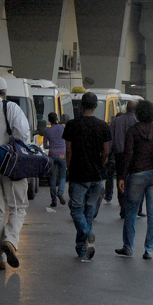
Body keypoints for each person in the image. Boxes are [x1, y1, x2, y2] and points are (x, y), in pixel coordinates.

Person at [0, 76, 30, 270]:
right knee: (18, 207)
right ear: (4, 93)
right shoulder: (11, 108)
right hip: (12, 167)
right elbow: (24, 134)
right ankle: (10, 240)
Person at [115, 100, 153, 259]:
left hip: (137, 174)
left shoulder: (133, 130)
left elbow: (127, 155)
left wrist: (121, 176)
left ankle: (128, 247)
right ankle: (149, 249)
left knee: (131, 211)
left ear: (138, 113)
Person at [62, 92, 111, 260]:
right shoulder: (103, 126)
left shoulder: (71, 125)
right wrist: (101, 165)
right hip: (97, 175)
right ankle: (82, 247)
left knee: (76, 208)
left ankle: (86, 235)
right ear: (96, 106)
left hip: (78, 173)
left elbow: (68, 150)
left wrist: (69, 167)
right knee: (89, 211)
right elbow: (106, 151)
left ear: (81, 105)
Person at [110, 101, 139, 217]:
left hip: (119, 154)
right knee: (134, 180)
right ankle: (135, 207)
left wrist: (110, 154)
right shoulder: (137, 122)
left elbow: (111, 138)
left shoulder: (116, 121)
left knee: (121, 179)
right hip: (135, 155)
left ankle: (123, 206)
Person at [42, 112, 66, 208]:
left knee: (52, 177)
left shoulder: (47, 131)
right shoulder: (62, 128)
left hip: (52, 154)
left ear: (49, 120)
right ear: (57, 119)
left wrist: (51, 145)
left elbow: (45, 146)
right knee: (63, 175)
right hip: (62, 154)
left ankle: (54, 201)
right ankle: (60, 191)